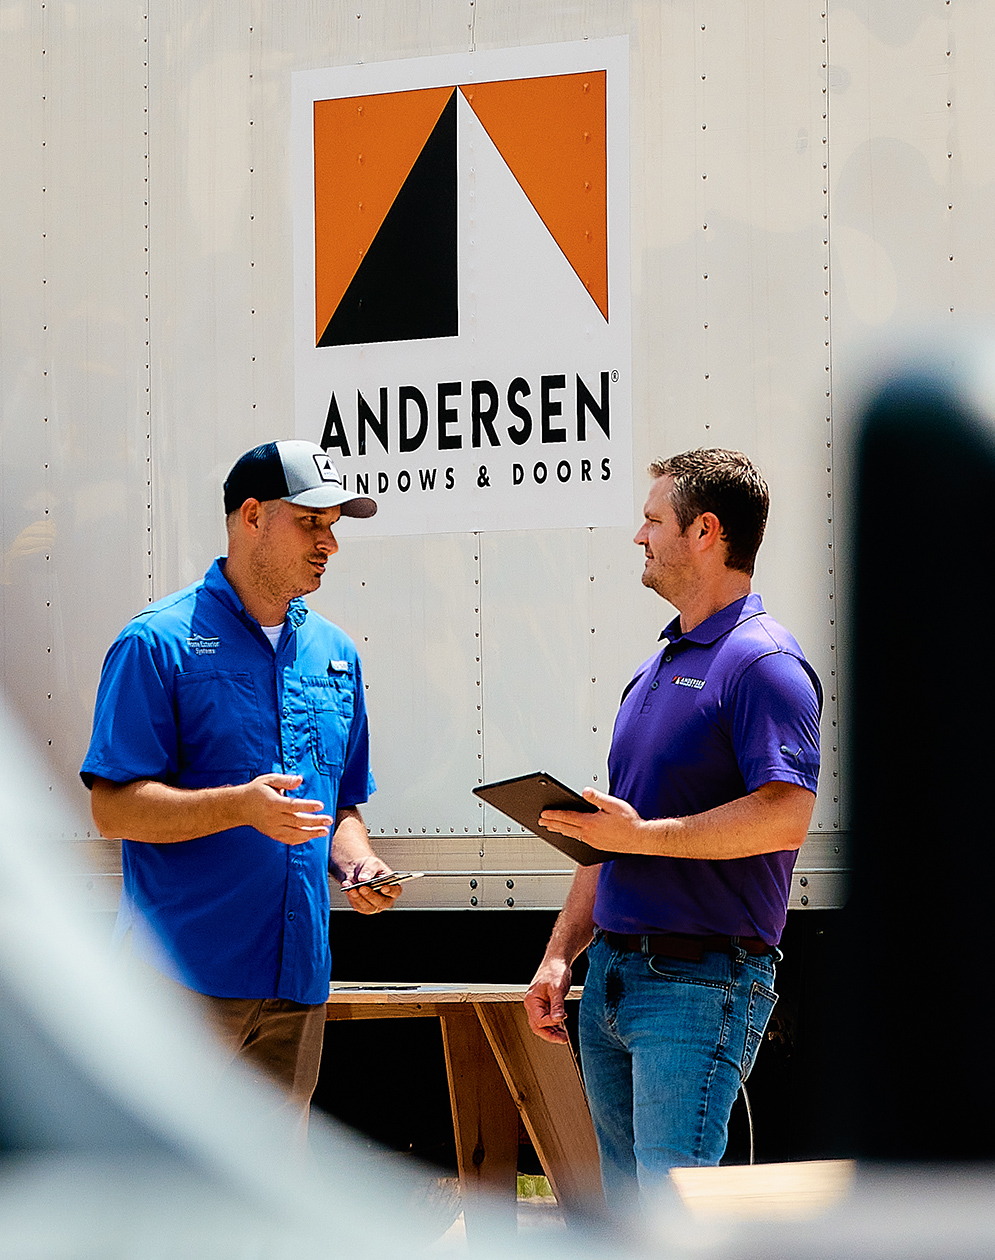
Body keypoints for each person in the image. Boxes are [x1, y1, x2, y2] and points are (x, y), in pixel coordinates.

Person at [524, 448, 821, 1211]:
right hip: (614, 982)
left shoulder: (763, 664)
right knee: (629, 1223)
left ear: (706, 532)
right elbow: (608, 833)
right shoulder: (655, 667)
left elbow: (787, 812)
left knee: (673, 1218)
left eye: (653, 520)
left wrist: (642, 837)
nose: (638, 536)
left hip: (698, 986)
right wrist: (560, 956)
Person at [81, 439, 401, 1124]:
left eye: (334, 526)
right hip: (178, 985)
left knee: (267, 1216)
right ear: (250, 516)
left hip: (298, 981)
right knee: (164, 1206)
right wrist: (238, 807)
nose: (330, 544)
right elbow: (113, 809)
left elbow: (340, 804)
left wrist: (357, 861)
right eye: (310, 522)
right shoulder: (155, 643)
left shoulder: (335, 653)